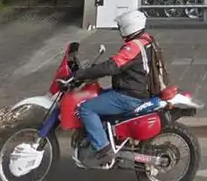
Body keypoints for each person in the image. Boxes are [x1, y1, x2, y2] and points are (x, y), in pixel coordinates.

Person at [70, 9, 169, 169]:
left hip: (130, 96)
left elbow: (113, 66)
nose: (119, 30)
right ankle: (108, 137)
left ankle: (103, 150)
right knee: (100, 96)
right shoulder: (147, 40)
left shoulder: (133, 46)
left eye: (121, 26)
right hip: (141, 90)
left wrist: (81, 74)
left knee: (87, 108)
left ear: (129, 27)